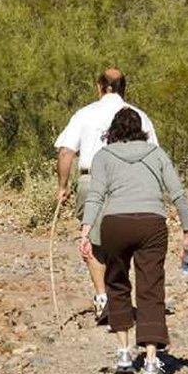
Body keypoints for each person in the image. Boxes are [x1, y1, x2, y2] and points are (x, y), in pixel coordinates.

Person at [79, 107, 188, 374]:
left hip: (115, 224)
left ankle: (123, 353)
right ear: (141, 131)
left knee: (117, 283)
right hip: (151, 224)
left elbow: (95, 196)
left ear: (113, 132)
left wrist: (85, 233)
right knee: (151, 287)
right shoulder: (156, 153)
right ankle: (151, 360)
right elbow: (177, 193)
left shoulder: (103, 156)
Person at [56, 67, 158, 322]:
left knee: (92, 240)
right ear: (124, 88)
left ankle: (103, 298)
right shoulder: (140, 117)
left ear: (99, 87)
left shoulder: (84, 114)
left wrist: (63, 186)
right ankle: (121, 298)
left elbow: (66, 152)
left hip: (91, 180)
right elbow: (154, 154)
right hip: (130, 182)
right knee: (125, 240)